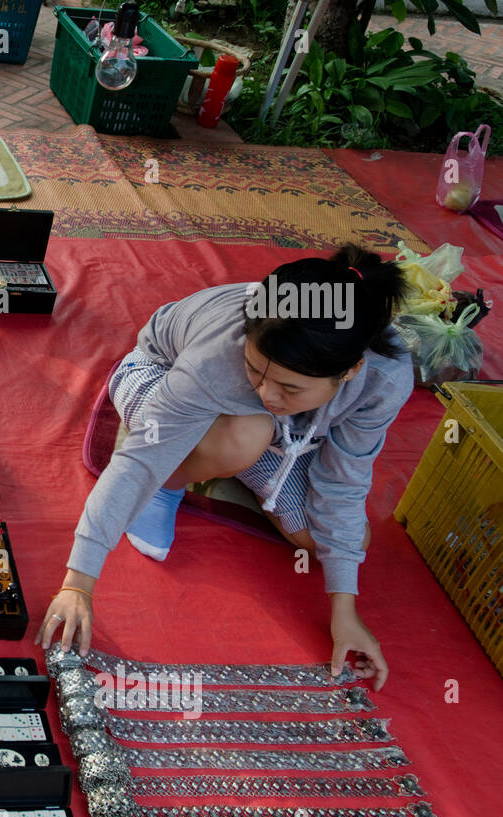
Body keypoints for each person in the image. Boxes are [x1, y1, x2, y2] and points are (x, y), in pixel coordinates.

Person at [38, 245, 411, 691]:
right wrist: (78, 584)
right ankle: (176, 481)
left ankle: (230, 463)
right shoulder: (217, 357)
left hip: (288, 435)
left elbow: (344, 483)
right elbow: (141, 460)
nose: (269, 393)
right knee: (246, 433)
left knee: (334, 542)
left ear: (350, 371)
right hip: (158, 373)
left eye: (290, 388)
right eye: (256, 371)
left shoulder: (384, 381)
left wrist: (344, 612)